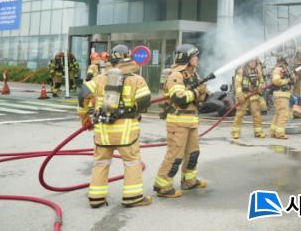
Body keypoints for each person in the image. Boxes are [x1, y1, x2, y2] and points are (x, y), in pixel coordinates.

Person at [77, 44, 153, 208]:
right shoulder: (136, 79)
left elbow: (82, 94)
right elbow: (145, 101)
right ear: (128, 57)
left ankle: (96, 197)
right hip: (126, 133)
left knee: (101, 163)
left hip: (103, 132)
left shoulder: (99, 78)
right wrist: (134, 109)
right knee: (132, 162)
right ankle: (133, 197)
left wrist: (84, 116)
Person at [153, 44, 209, 198]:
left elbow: (203, 96)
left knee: (193, 153)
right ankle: (162, 186)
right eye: (194, 56)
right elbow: (180, 99)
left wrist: (204, 93)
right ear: (187, 58)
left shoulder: (194, 75)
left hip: (192, 121)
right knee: (175, 155)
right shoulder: (176, 76)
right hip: (178, 121)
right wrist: (197, 92)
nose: (197, 58)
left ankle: (189, 181)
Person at [231, 58, 266, 139]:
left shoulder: (258, 71)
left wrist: (261, 87)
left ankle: (258, 132)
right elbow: (237, 84)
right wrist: (240, 96)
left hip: (254, 96)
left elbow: (262, 81)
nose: (253, 63)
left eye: (254, 61)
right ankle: (235, 132)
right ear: (247, 62)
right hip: (244, 96)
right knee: (240, 114)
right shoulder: (241, 71)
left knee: (257, 114)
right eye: (251, 61)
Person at [270, 56, 294, 139]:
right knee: (284, 114)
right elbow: (276, 81)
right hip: (281, 94)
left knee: (278, 114)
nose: (290, 61)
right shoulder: (278, 69)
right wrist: (286, 80)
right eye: (288, 59)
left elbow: (292, 80)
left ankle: (273, 131)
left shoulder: (285, 69)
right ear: (284, 61)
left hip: (282, 95)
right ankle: (280, 133)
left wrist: (292, 77)